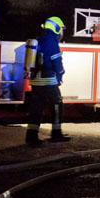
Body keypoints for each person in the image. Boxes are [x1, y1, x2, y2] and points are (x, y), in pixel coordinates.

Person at [26, 16, 70, 146]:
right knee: (57, 105)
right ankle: (56, 134)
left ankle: (31, 136)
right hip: (48, 80)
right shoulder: (51, 42)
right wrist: (61, 73)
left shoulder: (39, 39)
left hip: (36, 81)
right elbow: (57, 62)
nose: (61, 32)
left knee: (36, 109)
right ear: (55, 27)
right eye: (60, 29)